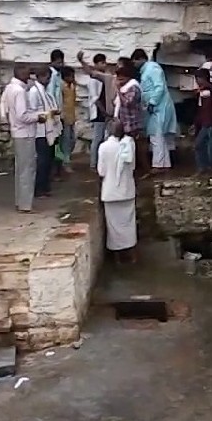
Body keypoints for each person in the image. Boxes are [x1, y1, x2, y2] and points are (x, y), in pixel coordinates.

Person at [0, 67, 46, 213]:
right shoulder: (19, 91)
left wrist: (10, 122)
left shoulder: (9, 88)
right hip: (25, 133)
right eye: (27, 73)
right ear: (21, 74)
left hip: (17, 132)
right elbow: (22, 115)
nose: (30, 76)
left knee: (21, 169)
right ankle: (25, 204)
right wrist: (38, 117)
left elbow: (3, 109)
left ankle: (20, 201)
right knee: (27, 169)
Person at [96, 119, 138, 263]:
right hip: (127, 190)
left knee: (113, 226)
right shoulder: (129, 144)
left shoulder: (103, 147)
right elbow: (132, 167)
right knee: (129, 224)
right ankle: (132, 255)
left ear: (108, 131)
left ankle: (117, 258)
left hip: (110, 192)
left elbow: (101, 171)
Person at [131, 49, 179, 172]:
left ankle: (158, 165)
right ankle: (164, 164)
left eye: (135, 61)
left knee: (156, 136)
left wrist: (152, 102)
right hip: (154, 108)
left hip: (159, 107)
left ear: (141, 59)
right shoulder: (146, 71)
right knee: (159, 136)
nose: (134, 64)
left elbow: (159, 87)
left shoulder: (152, 68)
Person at [28, 66, 61, 199]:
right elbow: (32, 111)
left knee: (48, 160)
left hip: (48, 130)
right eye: (47, 78)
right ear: (41, 77)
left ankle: (45, 186)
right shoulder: (34, 92)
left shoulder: (45, 92)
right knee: (42, 161)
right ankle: (39, 188)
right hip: (40, 132)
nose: (48, 81)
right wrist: (46, 114)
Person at [78, 52, 114, 171]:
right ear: (96, 64)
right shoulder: (94, 80)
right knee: (98, 138)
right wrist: (104, 112)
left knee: (105, 138)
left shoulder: (106, 77)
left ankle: (101, 162)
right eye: (101, 63)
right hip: (99, 112)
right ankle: (93, 164)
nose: (104, 65)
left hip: (106, 112)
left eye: (105, 62)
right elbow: (95, 99)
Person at [113, 64, 146, 173]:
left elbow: (128, 102)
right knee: (129, 147)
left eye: (122, 78)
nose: (119, 80)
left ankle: (144, 169)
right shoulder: (125, 88)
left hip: (133, 122)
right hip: (126, 122)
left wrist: (118, 90)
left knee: (136, 147)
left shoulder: (133, 87)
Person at [57, 66, 78, 174]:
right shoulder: (61, 86)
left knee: (73, 139)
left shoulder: (72, 86)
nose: (73, 78)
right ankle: (66, 162)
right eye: (71, 76)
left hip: (72, 116)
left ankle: (65, 159)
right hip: (64, 117)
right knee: (65, 141)